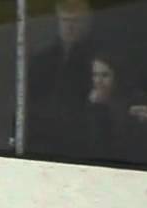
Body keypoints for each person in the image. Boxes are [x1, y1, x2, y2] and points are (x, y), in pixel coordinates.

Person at [28, 0, 98, 158]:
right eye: (65, 20)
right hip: (43, 142)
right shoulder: (42, 59)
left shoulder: (98, 59)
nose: (70, 27)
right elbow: (30, 101)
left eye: (75, 21)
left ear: (87, 22)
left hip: (83, 143)